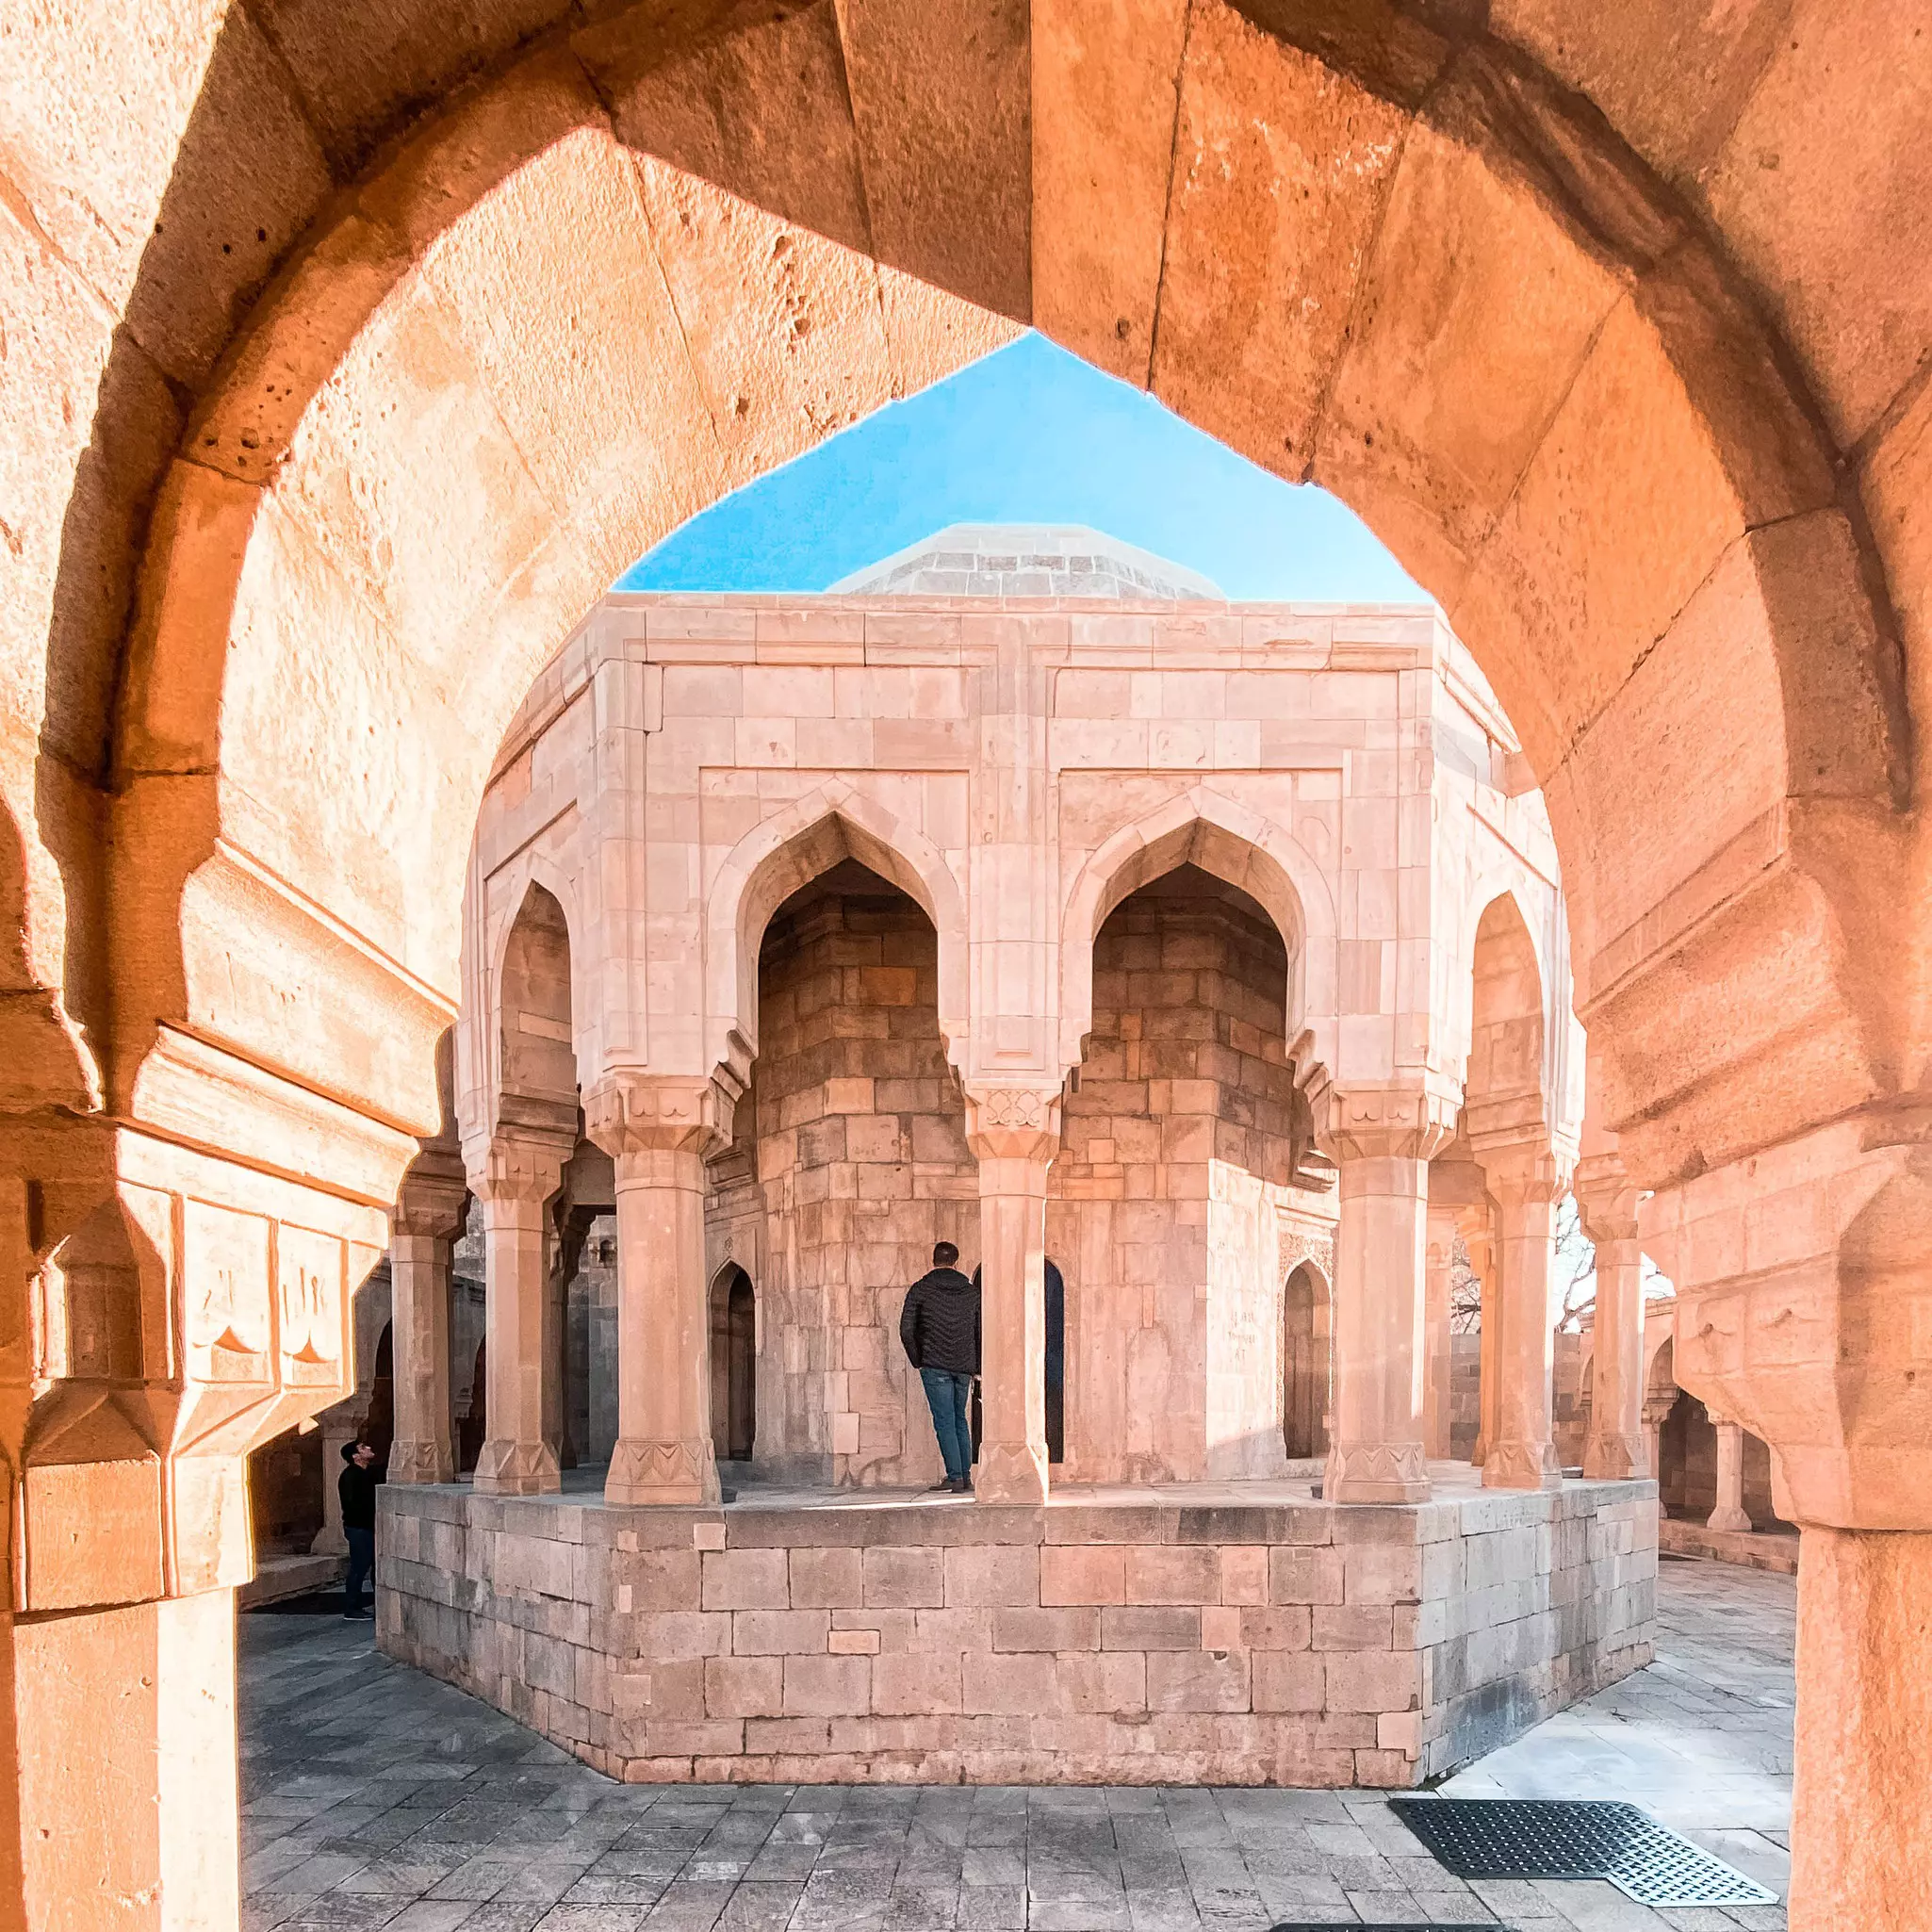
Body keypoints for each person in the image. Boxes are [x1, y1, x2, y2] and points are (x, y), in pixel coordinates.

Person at [899, 1240, 978, 1492]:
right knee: (960, 1420)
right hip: (963, 1365)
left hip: (934, 1364)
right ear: (956, 1262)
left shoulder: (921, 1289)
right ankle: (964, 1475)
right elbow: (980, 1330)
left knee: (944, 1420)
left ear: (933, 1261)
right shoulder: (970, 1292)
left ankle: (955, 1476)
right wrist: (976, 1365)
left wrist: (918, 1359)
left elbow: (906, 1329)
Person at [339, 1439, 382, 1619]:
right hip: (359, 1528)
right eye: (363, 1448)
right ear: (355, 1456)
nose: (369, 1448)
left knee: (374, 1566)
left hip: (369, 1527)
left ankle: (378, 1603)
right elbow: (351, 1504)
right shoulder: (350, 1476)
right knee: (359, 1567)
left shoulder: (369, 1473)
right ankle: (352, 1608)